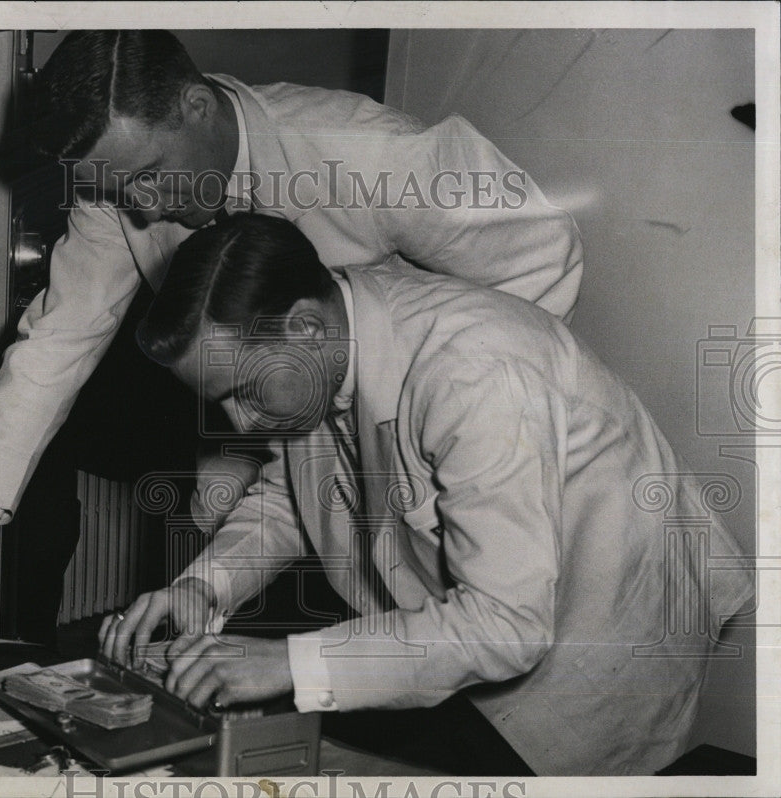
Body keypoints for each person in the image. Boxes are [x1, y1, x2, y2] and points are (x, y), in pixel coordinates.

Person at [0, 29, 583, 632]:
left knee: (429, 641)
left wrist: (438, 428)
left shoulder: (370, 155)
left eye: (150, 177)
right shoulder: (119, 188)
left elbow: (542, 253)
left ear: (196, 105)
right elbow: (54, 345)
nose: (140, 208)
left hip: (406, 438)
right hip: (259, 430)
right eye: (113, 190)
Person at [105, 214, 754, 776]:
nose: (239, 425)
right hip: (484, 619)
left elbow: (505, 626)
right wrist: (204, 586)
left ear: (305, 329)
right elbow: (291, 495)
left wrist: (287, 665)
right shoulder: (325, 342)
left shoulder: (474, 373)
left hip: (604, 634)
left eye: (243, 395)